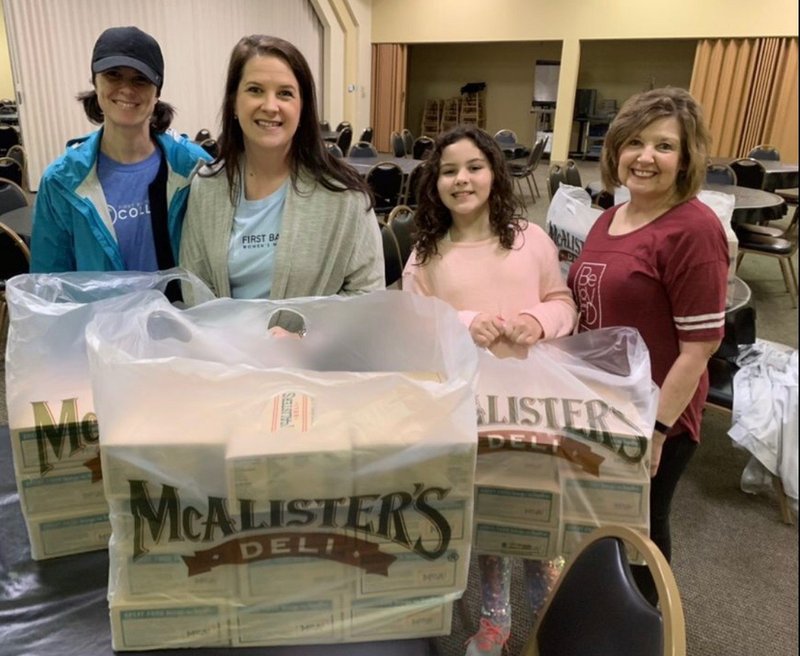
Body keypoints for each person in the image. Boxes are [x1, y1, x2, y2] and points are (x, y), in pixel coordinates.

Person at [402, 125, 577, 656]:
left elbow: (564, 302)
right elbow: (412, 322)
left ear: (494, 173)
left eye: (474, 167)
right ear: (435, 183)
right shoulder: (427, 252)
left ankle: (553, 613)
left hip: (532, 402)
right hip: (466, 408)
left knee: (539, 514)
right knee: (488, 516)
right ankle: (494, 619)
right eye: (449, 170)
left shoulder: (531, 239)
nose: (462, 179)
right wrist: (464, 319)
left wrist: (537, 318)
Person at [568, 87, 728, 603]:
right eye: (635, 142)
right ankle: (602, 609)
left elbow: (700, 347)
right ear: (616, 150)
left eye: (664, 146)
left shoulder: (694, 230)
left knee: (643, 527)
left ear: (685, 159)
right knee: (600, 518)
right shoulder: (609, 217)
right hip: (603, 403)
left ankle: (643, 622)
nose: (645, 157)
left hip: (655, 414)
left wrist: (656, 431)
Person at [179, 34, 383, 303]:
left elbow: (368, 294)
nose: (270, 106)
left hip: (318, 345)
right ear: (233, 104)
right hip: (225, 343)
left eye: (285, 93)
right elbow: (195, 285)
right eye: (255, 90)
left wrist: (305, 334)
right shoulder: (206, 187)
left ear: (302, 108)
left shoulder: (345, 196)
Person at [31, 26, 209, 273]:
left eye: (141, 79)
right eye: (113, 75)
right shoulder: (61, 182)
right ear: (95, 81)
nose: (127, 89)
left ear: (157, 91)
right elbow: (48, 284)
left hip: (178, 311)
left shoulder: (194, 168)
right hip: (100, 313)